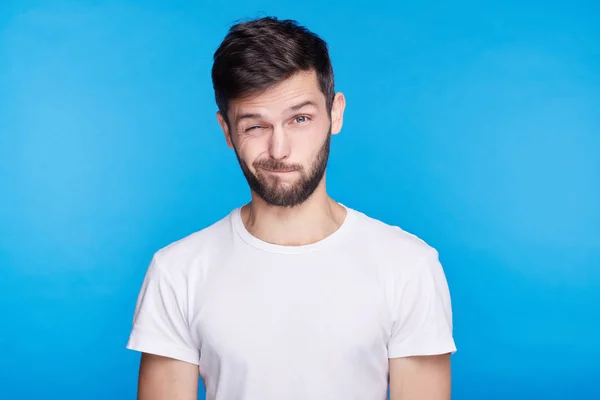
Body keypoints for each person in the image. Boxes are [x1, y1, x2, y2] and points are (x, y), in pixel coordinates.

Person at [126, 16, 457, 400]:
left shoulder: (408, 265)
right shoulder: (178, 271)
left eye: (300, 119)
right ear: (226, 131)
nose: (278, 150)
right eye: (255, 126)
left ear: (335, 114)